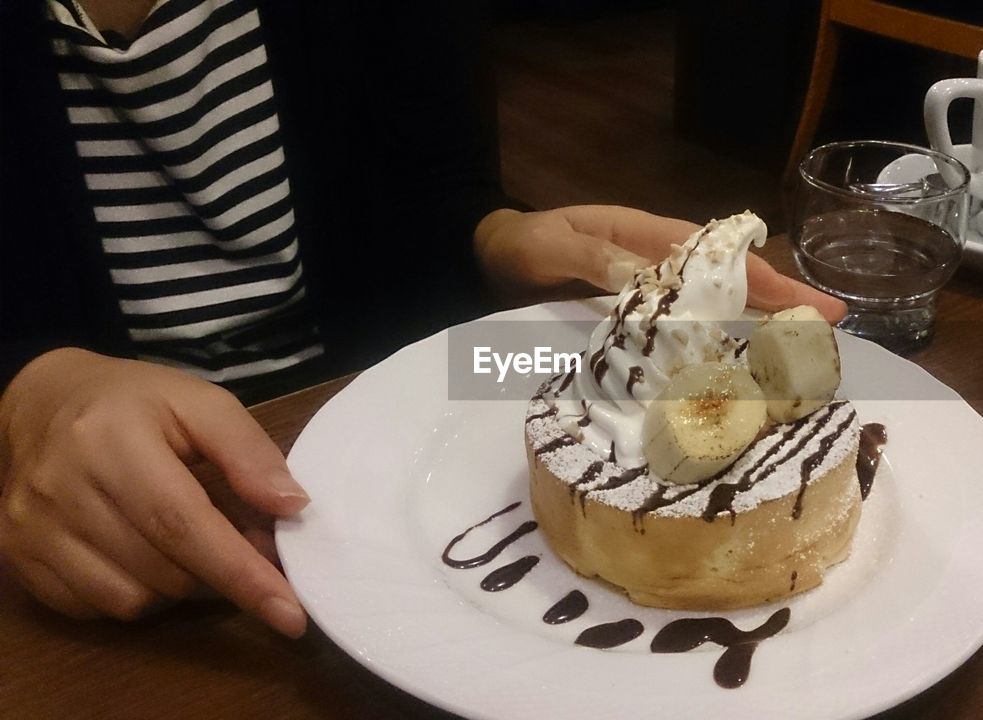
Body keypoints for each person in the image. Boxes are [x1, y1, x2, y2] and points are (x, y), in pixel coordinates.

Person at [0, 0, 845, 639]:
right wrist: (24, 383)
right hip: (106, 546)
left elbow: (427, 179)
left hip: (374, 419)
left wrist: (497, 235)